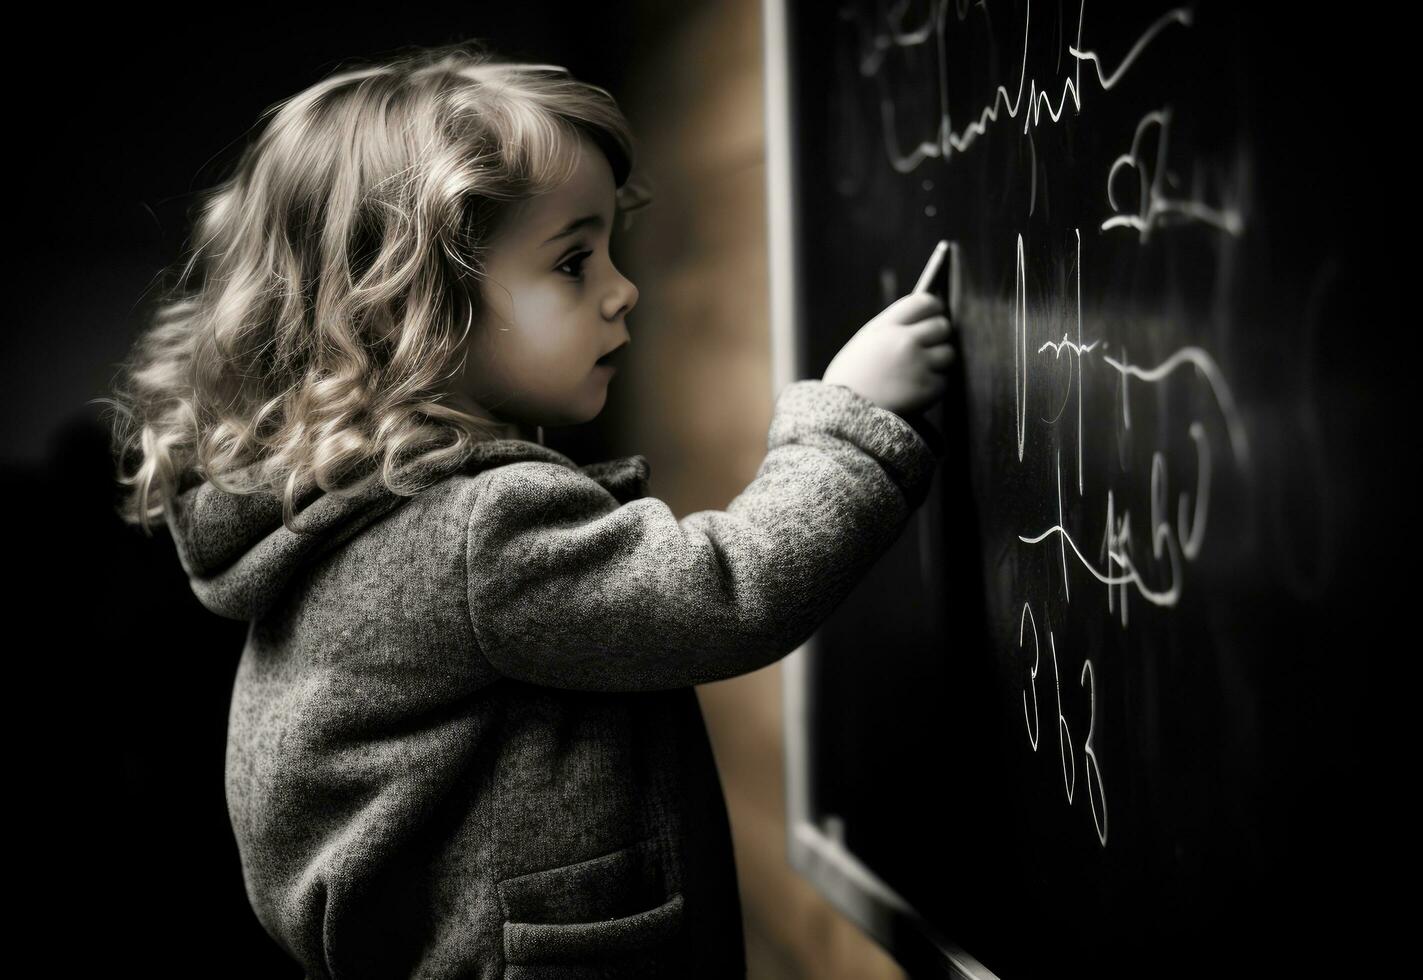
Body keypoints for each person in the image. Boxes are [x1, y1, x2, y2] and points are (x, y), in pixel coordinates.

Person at [105, 42, 954, 979]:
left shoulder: (337, 514)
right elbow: (728, 592)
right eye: (573, 262)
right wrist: (852, 424)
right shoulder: (476, 532)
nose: (622, 290)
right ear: (417, 308)